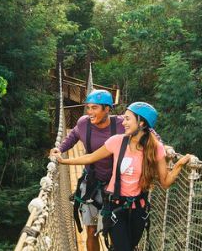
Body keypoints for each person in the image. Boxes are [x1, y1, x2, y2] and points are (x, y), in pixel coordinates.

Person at [57, 101, 191, 251]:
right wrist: (63, 161)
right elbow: (90, 157)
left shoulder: (156, 148)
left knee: (130, 246)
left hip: (138, 209)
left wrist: (179, 164)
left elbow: (165, 182)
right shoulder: (117, 141)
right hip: (115, 207)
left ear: (141, 123)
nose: (124, 123)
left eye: (128, 119)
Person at [49, 90, 123, 251]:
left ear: (107, 109)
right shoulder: (84, 123)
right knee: (91, 230)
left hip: (117, 186)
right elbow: (72, 137)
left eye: (94, 108)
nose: (89, 112)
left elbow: (146, 131)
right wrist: (59, 149)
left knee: (115, 230)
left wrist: (164, 148)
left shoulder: (121, 124)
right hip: (91, 183)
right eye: (88, 107)